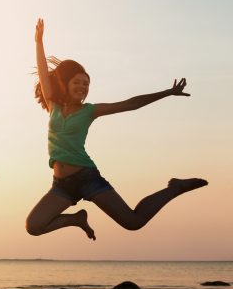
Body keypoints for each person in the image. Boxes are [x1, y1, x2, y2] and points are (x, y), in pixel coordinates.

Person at [25, 19, 208, 240]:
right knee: (34, 226)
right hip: (62, 186)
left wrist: (167, 92)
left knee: (133, 221)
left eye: (86, 84)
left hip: (87, 178)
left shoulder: (90, 111)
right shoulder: (52, 105)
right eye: (77, 82)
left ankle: (175, 188)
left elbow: (131, 104)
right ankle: (76, 219)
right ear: (65, 83)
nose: (83, 87)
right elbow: (43, 72)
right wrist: (39, 41)